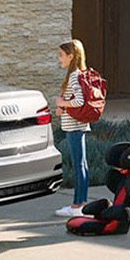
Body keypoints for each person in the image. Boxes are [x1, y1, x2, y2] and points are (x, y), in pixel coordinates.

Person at [54, 39, 90, 217]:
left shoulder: (74, 75)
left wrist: (62, 103)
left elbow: (79, 101)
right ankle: (82, 203)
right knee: (82, 164)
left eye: (61, 55)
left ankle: (77, 206)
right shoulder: (79, 73)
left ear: (71, 56)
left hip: (74, 127)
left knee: (78, 165)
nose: (59, 58)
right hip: (79, 126)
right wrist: (63, 106)